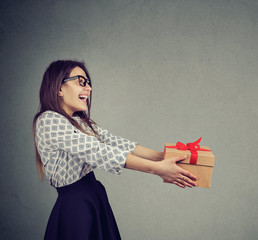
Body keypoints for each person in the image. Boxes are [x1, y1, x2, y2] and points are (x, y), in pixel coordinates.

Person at [33, 60, 197, 240]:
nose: (88, 88)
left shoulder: (79, 121)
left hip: (94, 197)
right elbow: (97, 151)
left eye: (88, 83)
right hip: (76, 207)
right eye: (81, 81)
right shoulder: (48, 120)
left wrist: (164, 157)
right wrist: (157, 169)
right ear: (59, 88)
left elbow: (114, 142)